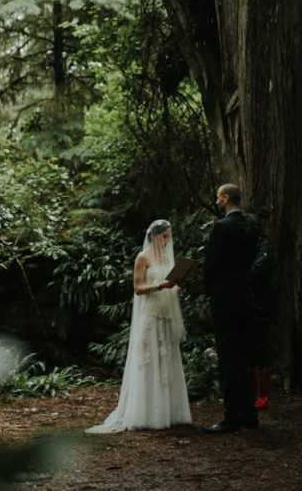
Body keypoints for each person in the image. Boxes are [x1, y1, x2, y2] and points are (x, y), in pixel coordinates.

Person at [85, 219, 192, 433]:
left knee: (167, 360)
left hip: (166, 316)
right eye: (165, 236)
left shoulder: (168, 257)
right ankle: (147, 413)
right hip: (150, 315)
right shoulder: (142, 257)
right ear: (154, 236)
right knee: (149, 360)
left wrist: (178, 284)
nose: (167, 240)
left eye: (169, 236)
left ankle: (169, 412)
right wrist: (160, 285)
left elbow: (172, 286)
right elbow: (137, 288)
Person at [203, 184, 260, 432]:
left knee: (229, 358)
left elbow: (211, 264)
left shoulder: (221, 227)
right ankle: (248, 414)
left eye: (218, 198)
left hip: (225, 298)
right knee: (244, 356)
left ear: (226, 199)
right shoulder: (252, 226)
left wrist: (208, 291)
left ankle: (232, 416)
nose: (216, 202)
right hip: (244, 297)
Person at [247, 213, 274, 409]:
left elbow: (258, 270)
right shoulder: (245, 245)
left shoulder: (264, 245)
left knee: (260, 348)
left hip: (261, 302)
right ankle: (250, 392)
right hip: (245, 301)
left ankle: (263, 394)